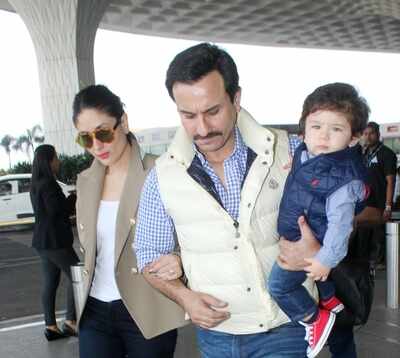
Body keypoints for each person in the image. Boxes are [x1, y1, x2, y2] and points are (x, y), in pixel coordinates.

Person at [135, 42, 318, 357]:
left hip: (285, 325)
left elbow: (341, 211)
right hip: (215, 337)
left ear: (236, 98)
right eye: (188, 115)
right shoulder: (162, 176)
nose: (202, 128)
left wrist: (318, 245)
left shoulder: (289, 150)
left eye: (213, 111)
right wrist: (184, 297)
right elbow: (149, 256)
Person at [73, 85, 186, 358]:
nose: (97, 145)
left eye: (102, 133)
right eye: (85, 139)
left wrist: (179, 258)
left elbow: (195, 231)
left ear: (123, 122)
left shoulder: (160, 172)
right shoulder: (86, 181)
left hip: (146, 307)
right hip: (95, 310)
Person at [267, 83, 369, 358]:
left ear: (353, 137)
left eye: (336, 129)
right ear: (304, 130)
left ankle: (315, 319)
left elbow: (340, 227)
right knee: (322, 285)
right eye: (316, 126)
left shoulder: (343, 181)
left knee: (278, 286)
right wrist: (295, 168)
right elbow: (304, 161)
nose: (323, 135)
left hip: (315, 249)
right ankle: (328, 298)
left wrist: (326, 259)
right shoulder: (306, 153)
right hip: (302, 237)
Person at [30, 144, 79, 340]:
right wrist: (75, 195)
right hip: (55, 241)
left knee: (50, 283)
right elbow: (57, 211)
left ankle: (50, 326)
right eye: (56, 157)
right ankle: (70, 322)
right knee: (77, 276)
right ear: (48, 161)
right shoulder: (49, 184)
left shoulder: (36, 184)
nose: (58, 161)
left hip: (42, 241)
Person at [362, 121, 397, 266]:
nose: (368, 137)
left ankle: (381, 264)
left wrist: (388, 206)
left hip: (379, 203)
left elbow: (391, 182)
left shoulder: (387, 154)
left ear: (378, 134)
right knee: (365, 234)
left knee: (378, 236)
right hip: (364, 203)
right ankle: (369, 263)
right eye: (365, 134)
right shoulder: (364, 153)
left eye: (371, 134)